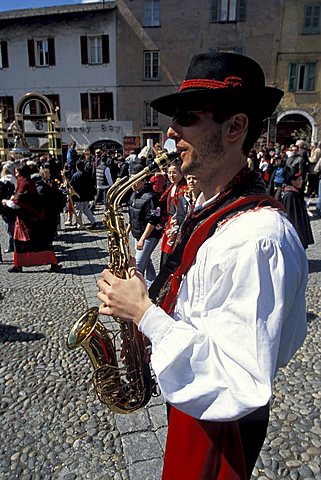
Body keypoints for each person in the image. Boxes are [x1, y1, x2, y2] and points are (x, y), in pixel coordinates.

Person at [97, 52, 308, 480]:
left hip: (220, 426)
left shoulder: (258, 237)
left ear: (235, 127)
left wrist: (145, 314)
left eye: (187, 117)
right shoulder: (208, 207)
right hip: (195, 406)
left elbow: (241, 381)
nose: (171, 131)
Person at [2, 164, 59, 273]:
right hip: (24, 219)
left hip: (29, 220)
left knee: (39, 243)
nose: (15, 174)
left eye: (17, 172)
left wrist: (7, 202)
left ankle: (53, 263)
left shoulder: (25, 183)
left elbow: (18, 202)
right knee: (19, 244)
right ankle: (18, 265)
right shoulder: (23, 182)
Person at [127, 164, 163, 288]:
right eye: (131, 180)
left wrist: (142, 239)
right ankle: (153, 285)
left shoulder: (151, 197)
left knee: (138, 265)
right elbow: (133, 215)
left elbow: (153, 220)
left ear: (143, 180)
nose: (132, 184)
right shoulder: (134, 194)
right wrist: (127, 230)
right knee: (147, 261)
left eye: (135, 181)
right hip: (138, 234)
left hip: (149, 236)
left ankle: (138, 292)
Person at [159, 160, 186, 268]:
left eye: (174, 172)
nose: (171, 175)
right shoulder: (171, 187)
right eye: (169, 172)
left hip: (176, 224)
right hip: (169, 224)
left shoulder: (184, 189)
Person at [281, 166, 314, 249]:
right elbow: (292, 216)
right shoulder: (290, 195)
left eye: (301, 179)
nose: (301, 181)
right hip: (296, 230)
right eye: (299, 179)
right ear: (292, 181)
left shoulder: (295, 193)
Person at [70, 160, 97, 229]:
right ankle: (93, 221)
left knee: (79, 211)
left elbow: (71, 185)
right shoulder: (87, 174)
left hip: (78, 196)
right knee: (86, 209)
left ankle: (80, 225)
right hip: (86, 195)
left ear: (77, 167)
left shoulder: (75, 175)